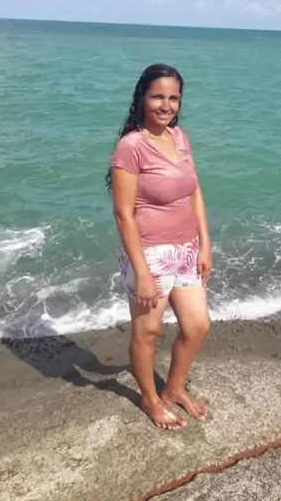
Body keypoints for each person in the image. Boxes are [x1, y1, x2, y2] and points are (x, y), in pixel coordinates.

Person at [106, 63, 212, 431]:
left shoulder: (179, 137)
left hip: (186, 249)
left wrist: (205, 245)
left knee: (197, 326)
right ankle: (150, 399)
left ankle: (174, 388)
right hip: (150, 253)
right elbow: (123, 214)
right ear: (142, 98)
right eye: (158, 97)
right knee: (147, 333)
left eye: (173, 98)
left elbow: (195, 192)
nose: (166, 105)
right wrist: (142, 272)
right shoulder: (131, 147)